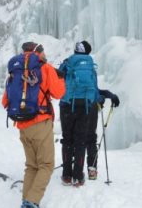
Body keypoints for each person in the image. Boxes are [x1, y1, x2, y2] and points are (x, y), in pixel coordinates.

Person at [2, 42, 65, 208]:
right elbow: (59, 93)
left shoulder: (15, 70)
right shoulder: (45, 67)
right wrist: (61, 77)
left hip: (22, 125)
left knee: (31, 165)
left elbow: (5, 101)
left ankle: (26, 201)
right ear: (39, 52)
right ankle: (32, 201)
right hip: (40, 123)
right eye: (43, 52)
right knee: (46, 165)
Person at [58, 40, 100, 187]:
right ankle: (78, 176)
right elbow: (94, 87)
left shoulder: (67, 62)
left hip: (67, 105)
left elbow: (58, 81)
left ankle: (66, 176)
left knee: (67, 139)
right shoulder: (90, 65)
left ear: (76, 51)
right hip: (85, 107)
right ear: (88, 52)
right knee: (81, 141)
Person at [85, 88, 120, 180]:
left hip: (74, 108)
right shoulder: (90, 79)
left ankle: (71, 170)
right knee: (91, 139)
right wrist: (111, 96)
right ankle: (92, 170)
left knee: (76, 138)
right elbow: (98, 91)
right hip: (91, 108)